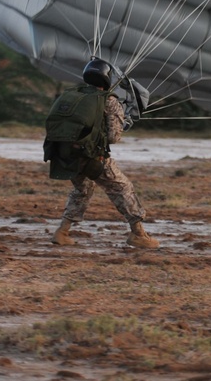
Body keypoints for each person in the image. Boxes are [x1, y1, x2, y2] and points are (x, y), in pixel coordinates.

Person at [50, 58, 159, 249]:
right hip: (92, 156)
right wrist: (122, 123)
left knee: (83, 190)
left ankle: (62, 231)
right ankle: (139, 234)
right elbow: (113, 137)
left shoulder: (73, 95)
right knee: (122, 187)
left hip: (66, 155)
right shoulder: (109, 100)